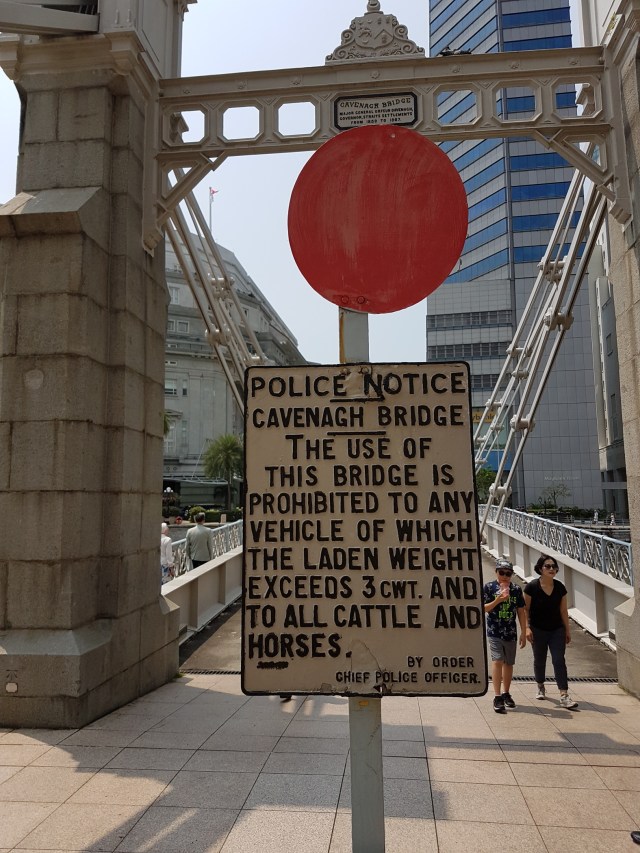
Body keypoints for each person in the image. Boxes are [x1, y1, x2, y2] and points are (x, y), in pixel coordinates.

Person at [524, 554, 578, 708]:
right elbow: (525, 609)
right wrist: (527, 628)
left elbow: (563, 611)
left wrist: (567, 630)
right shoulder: (531, 587)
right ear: (540, 569)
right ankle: (540, 685)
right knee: (539, 659)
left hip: (557, 630)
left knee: (559, 660)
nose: (551, 569)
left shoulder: (560, 587)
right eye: (547, 566)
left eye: (554, 566)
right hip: (537, 629)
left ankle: (564, 695)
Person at [483, 558, 526, 713]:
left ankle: (506, 693)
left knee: (509, 663)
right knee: (497, 661)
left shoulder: (516, 589)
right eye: (501, 572)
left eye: (508, 573)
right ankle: (497, 696)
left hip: (510, 631)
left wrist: (524, 631)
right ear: (496, 572)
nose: (505, 576)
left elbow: (521, 611)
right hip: (494, 630)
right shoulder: (489, 587)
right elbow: (483, 608)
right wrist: (498, 600)